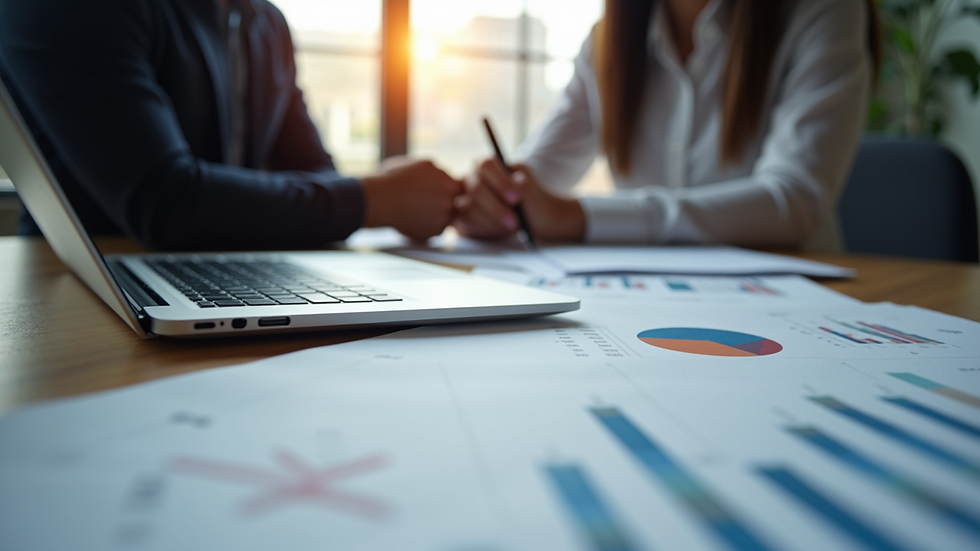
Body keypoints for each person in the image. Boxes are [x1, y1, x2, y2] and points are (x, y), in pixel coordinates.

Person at [0, 0, 462, 250]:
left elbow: (318, 174)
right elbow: (165, 201)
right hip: (88, 291)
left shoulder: (265, 22)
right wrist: (375, 199)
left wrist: (370, 198)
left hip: (230, 272)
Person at [454, 0, 881, 246]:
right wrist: (496, 195)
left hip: (797, 305)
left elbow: (794, 198)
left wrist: (579, 218)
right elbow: (531, 180)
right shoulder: (608, 41)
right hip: (644, 308)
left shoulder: (822, 10)